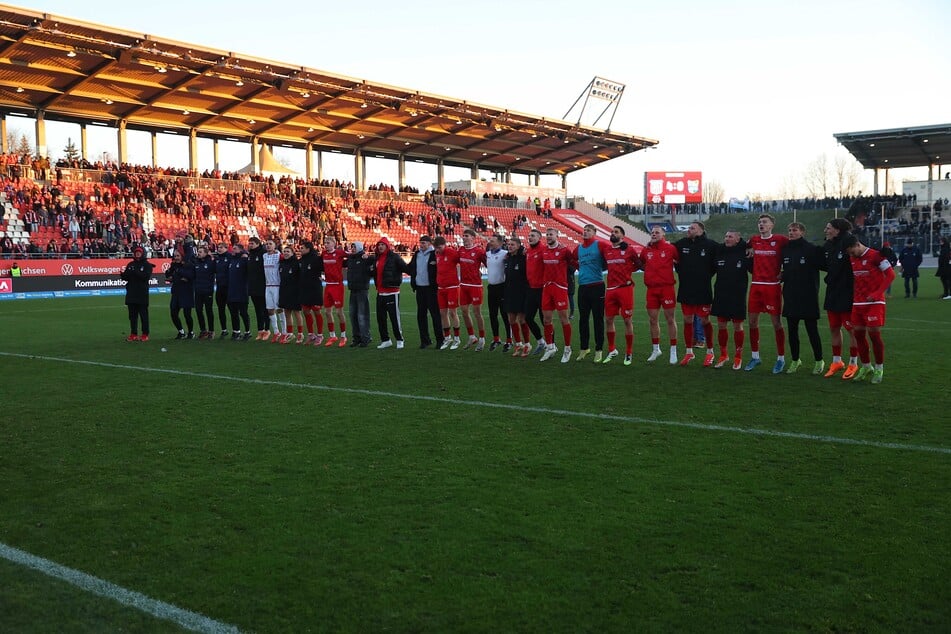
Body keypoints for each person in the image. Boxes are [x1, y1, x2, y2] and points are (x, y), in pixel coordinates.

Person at [844, 234, 895, 384]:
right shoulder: (852, 258)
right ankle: (866, 366)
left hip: (875, 303)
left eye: (852, 252)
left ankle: (879, 368)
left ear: (857, 244)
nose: (851, 255)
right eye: (849, 253)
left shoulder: (876, 256)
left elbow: (891, 275)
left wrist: (877, 293)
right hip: (858, 303)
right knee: (858, 335)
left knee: (874, 335)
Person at [745, 214, 789, 373]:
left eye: (764, 222)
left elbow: (793, 252)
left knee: (776, 324)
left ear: (772, 225)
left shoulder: (780, 240)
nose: (761, 224)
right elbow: (745, 247)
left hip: (772, 286)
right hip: (756, 286)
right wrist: (748, 248)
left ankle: (781, 358)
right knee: (752, 323)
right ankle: (755, 357)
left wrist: (785, 271)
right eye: (759, 222)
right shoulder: (753, 240)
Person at [780, 223, 824, 375]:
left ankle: (819, 360)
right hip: (790, 295)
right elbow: (788, 271)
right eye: (789, 230)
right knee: (792, 331)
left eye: (795, 230)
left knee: (812, 330)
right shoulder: (785, 250)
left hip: (808, 296)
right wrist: (782, 276)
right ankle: (795, 360)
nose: (791, 233)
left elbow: (824, 266)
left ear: (802, 232)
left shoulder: (811, 249)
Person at [819, 218, 859, 378]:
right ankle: (837, 361)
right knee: (834, 327)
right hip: (832, 293)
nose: (825, 230)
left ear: (837, 229)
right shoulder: (828, 245)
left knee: (852, 330)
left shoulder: (850, 243)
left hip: (848, 294)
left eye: (828, 228)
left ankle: (853, 363)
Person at [674, 221, 717, 367]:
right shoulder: (681, 243)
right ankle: (689, 352)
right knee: (687, 320)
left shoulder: (711, 245)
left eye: (692, 228)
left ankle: (710, 352)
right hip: (686, 289)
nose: (689, 230)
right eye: (688, 228)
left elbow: (721, 257)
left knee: (705, 321)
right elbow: (667, 249)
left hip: (703, 289)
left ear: (700, 230)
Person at [601, 226, 641, 365]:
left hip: (625, 289)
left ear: (622, 236)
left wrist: (627, 271)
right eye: (612, 232)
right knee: (608, 320)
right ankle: (612, 349)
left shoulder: (629, 249)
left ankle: (629, 352)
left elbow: (638, 264)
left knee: (627, 321)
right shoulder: (606, 250)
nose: (613, 234)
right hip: (610, 289)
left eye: (616, 232)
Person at [711, 230, 749, 370]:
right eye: (725, 236)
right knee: (721, 325)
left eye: (730, 237)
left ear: (738, 239)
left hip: (737, 294)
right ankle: (723, 355)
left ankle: (738, 357)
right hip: (721, 293)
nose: (727, 239)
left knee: (737, 326)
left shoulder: (744, 252)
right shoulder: (719, 251)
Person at [641, 226, 679, 364]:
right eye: (652, 233)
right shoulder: (646, 250)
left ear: (663, 234)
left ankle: (673, 351)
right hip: (651, 290)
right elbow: (642, 263)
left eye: (657, 232)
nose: (654, 234)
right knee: (652, 320)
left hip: (667, 288)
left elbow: (679, 261)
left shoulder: (670, 249)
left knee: (670, 319)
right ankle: (656, 349)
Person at [539, 227, 575, 363]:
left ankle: (567, 349)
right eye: (547, 234)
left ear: (557, 235)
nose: (548, 236)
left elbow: (573, 264)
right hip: (547, 287)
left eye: (551, 234)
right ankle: (550, 347)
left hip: (560, 288)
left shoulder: (564, 250)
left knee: (563, 319)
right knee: (546, 319)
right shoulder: (544, 251)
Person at [367, 237, 410, 349]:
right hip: (380, 293)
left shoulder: (395, 257)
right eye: (379, 245)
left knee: (394, 318)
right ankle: (385, 340)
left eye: (382, 245)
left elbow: (406, 268)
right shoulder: (376, 258)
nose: (380, 247)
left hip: (392, 292)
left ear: (387, 246)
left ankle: (399, 339)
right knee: (381, 318)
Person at [574, 224, 607, 362]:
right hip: (583, 287)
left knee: (598, 319)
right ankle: (584, 348)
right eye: (584, 230)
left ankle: (598, 349)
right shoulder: (579, 248)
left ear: (594, 232)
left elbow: (607, 260)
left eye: (588, 230)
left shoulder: (600, 245)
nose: (585, 232)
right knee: (583, 319)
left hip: (597, 285)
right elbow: (571, 260)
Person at [408, 235, 442, 349]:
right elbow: (410, 268)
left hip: (431, 289)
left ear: (429, 243)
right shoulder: (417, 254)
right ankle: (425, 340)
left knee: (435, 315)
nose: (421, 245)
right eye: (420, 243)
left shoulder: (435, 254)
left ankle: (440, 340)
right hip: (420, 289)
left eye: (423, 243)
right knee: (421, 316)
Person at [458, 229, 487, 350]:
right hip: (463, 285)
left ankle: (482, 338)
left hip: (475, 286)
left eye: (467, 236)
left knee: (477, 312)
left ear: (473, 238)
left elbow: (488, 264)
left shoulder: (479, 252)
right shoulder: (460, 250)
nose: (464, 238)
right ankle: (471, 336)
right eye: (463, 236)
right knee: (464, 311)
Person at [503, 236, 531, 357]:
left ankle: (527, 344)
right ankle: (518, 344)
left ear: (519, 246)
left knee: (522, 319)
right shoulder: (508, 258)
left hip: (522, 292)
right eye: (509, 244)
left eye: (512, 244)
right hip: (510, 292)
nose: (510, 246)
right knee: (511, 320)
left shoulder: (524, 258)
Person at [434, 236, 463, 350]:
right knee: (442, 313)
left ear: (444, 245)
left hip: (452, 286)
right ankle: (447, 338)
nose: (438, 249)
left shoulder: (451, 252)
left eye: (440, 247)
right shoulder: (437, 254)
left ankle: (457, 338)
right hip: (441, 287)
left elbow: (461, 261)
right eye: (436, 247)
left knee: (452, 313)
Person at [484, 233, 512, 351]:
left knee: (505, 315)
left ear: (500, 243)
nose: (491, 242)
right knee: (492, 314)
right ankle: (496, 339)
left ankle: (509, 340)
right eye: (490, 240)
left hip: (502, 288)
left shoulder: (505, 254)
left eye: (493, 241)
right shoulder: (487, 254)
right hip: (491, 287)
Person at [120, 245, 154, 341]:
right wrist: (123, 275)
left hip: (142, 294)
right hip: (131, 293)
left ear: (143, 253)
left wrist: (135, 271)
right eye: (136, 252)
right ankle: (133, 333)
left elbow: (145, 277)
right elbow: (126, 277)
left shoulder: (147, 265)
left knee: (143, 315)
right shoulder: (130, 264)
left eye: (139, 252)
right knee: (132, 316)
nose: (138, 253)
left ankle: (145, 334)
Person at [321, 235, 348, 347]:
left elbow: (352, 256)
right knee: (327, 312)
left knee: (339, 312)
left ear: (334, 243)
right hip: (328, 285)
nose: (326, 244)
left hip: (337, 285)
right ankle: (332, 335)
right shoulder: (323, 254)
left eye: (328, 242)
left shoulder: (340, 253)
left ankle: (343, 336)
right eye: (325, 242)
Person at [297, 240, 325, 345]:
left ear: (308, 249)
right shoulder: (301, 260)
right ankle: (310, 335)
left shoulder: (316, 259)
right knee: (306, 311)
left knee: (316, 311)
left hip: (315, 289)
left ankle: (320, 335)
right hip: (304, 289)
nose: (300, 250)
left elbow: (324, 268)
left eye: (302, 248)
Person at [346, 241, 373, 347]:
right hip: (353, 289)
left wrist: (368, 257)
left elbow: (374, 259)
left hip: (362, 290)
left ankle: (365, 338)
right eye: (351, 247)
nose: (352, 249)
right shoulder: (351, 259)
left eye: (354, 247)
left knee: (362, 315)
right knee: (353, 315)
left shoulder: (364, 258)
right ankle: (356, 338)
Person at [524, 228, 547, 354]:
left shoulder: (544, 249)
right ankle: (541, 342)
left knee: (545, 319)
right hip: (531, 289)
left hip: (542, 289)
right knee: (528, 318)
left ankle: (551, 345)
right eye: (529, 236)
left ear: (539, 237)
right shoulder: (527, 251)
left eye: (533, 235)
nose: (530, 237)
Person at [165, 250, 196, 339]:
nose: (176, 258)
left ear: (182, 256)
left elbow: (190, 276)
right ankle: (181, 332)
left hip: (186, 292)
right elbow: (168, 274)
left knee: (187, 314)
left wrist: (178, 272)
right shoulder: (174, 265)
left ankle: (191, 332)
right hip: (176, 291)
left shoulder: (189, 265)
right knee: (173, 313)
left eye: (178, 256)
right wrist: (174, 275)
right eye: (175, 256)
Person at [226, 243, 252, 340]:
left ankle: (247, 332)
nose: (233, 250)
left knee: (243, 313)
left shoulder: (244, 260)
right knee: (233, 313)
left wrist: (245, 253)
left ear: (240, 250)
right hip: (231, 291)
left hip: (242, 291)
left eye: (235, 249)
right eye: (233, 248)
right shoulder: (231, 260)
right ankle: (236, 331)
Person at [278, 245, 303, 343]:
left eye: (288, 251)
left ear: (292, 253)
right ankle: (290, 333)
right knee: (286, 312)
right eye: (284, 251)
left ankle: (300, 334)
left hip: (295, 291)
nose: (286, 253)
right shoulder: (281, 263)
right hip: (284, 290)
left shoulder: (296, 263)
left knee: (297, 312)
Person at [246, 236, 269, 340]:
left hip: (263, 285)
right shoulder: (250, 254)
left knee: (265, 309)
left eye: (252, 244)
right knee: (257, 309)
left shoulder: (263, 253)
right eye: (249, 243)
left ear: (258, 244)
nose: (250, 245)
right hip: (253, 286)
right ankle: (260, 330)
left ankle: (267, 330)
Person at [262, 238, 285, 342]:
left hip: (277, 285)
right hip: (268, 286)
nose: (268, 245)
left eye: (270, 244)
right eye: (267, 244)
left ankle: (284, 332)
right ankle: (276, 332)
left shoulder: (279, 255)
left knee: (280, 309)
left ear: (275, 246)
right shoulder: (264, 256)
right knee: (270, 310)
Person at [193, 245, 216, 339]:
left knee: (208, 310)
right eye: (198, 252)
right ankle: (203, 330)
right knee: (198, 310)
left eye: (201, 252)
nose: (199, 253)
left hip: (208, 290)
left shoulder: (211, 263)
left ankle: (211, 331)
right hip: (198, 290)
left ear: (206, 253)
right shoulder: (196, 263)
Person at [213, 243, 231, 338]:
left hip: (229, 288)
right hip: (220, 288)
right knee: (221, 310)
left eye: (221, 247)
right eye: (218, 247)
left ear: (226, 248)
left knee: (233, 310)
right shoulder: (217, 259)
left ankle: (236, 330)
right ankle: (224, 330)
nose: (219, 249)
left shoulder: (230, 257)